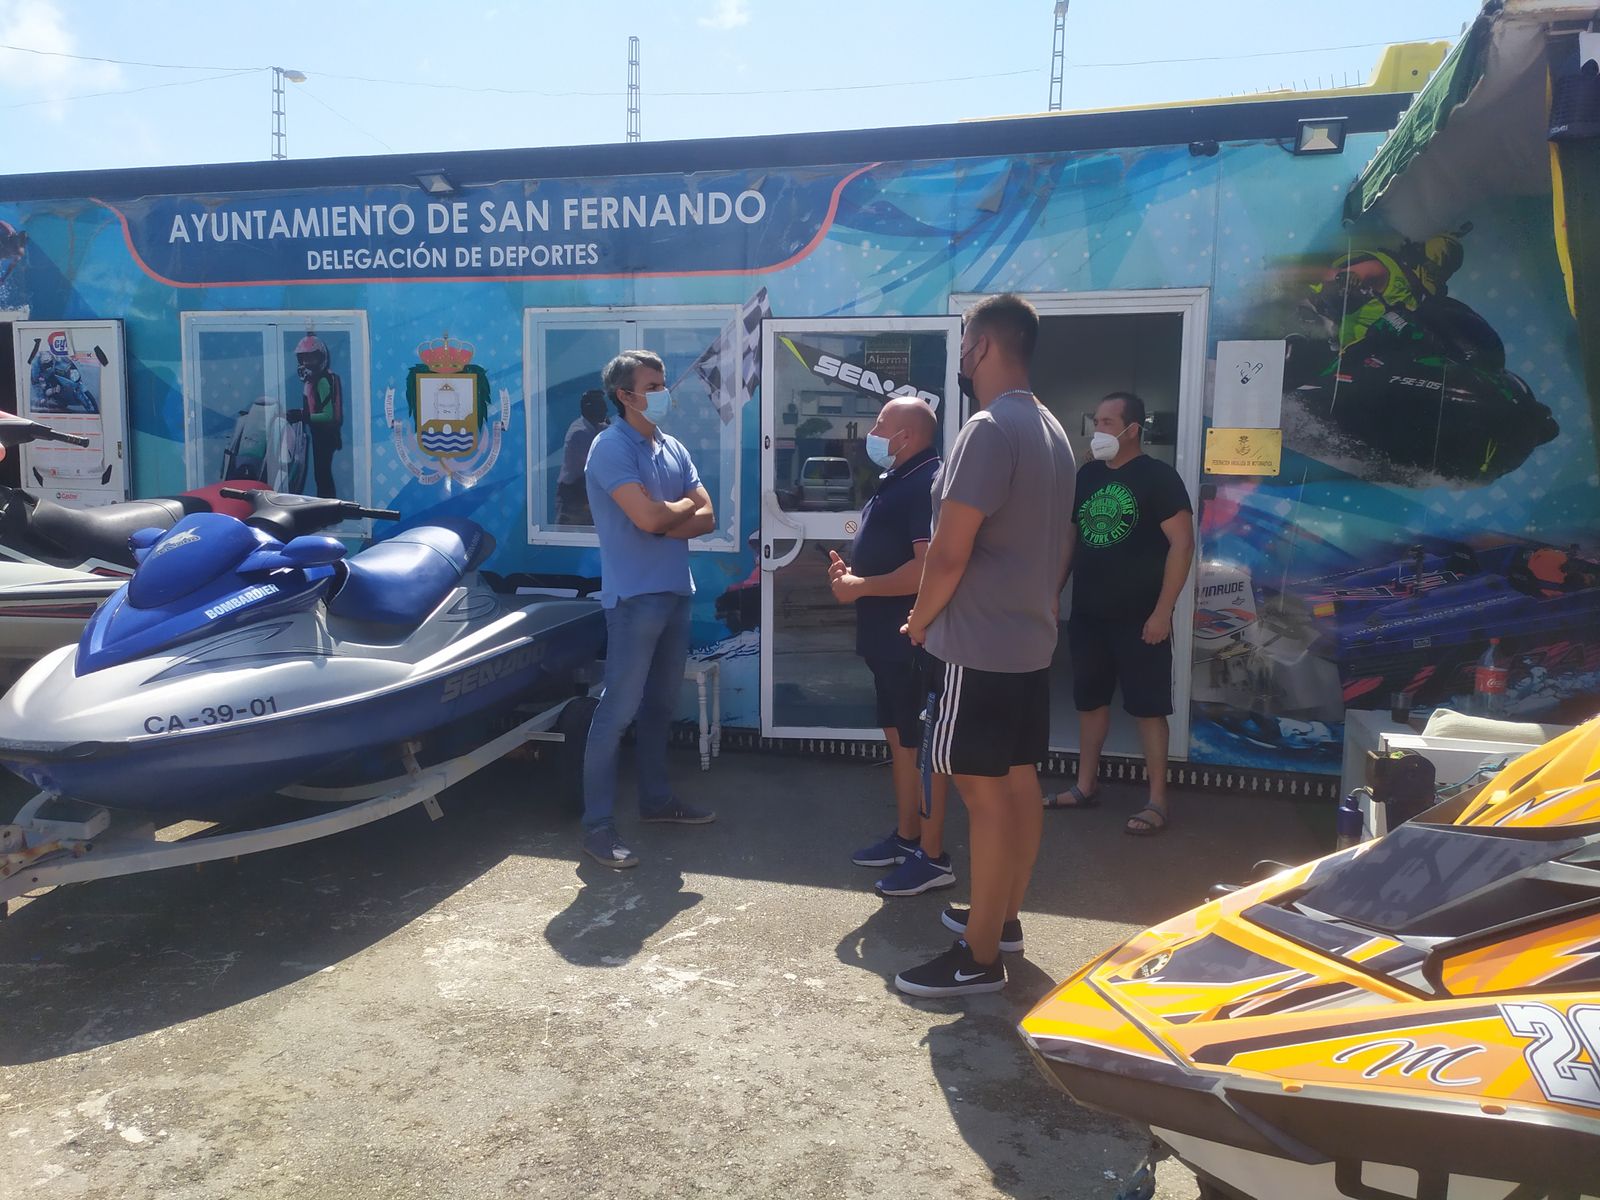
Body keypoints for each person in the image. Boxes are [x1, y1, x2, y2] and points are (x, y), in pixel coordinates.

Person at [893, 294, 1076, 998]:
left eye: (966, 340)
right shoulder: (1051, 429)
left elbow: (948, 552)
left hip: (975, 647)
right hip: (1027, 642)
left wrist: (919, 620)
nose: (962, 353)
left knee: (983, 794)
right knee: (1018, 784)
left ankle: (978, 957)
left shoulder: (988, 428)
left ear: (987, 346)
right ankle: (1001, 922)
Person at [580, 349, 717, 869]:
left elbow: (707, 516)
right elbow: (649, 519)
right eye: (653, 386)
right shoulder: (609, 447)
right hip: (634, 599)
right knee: (617, 712)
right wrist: (670, 513)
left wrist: (663, 517)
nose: (664, 392)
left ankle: (656, 801)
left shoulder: (672, 446)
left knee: (660, 707)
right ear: (625, 395)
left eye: (663, 383)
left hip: (675, 591)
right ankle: (597, 827)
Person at [1049, 391, 1193, 837]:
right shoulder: (1088, 475)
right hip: (1089, 615)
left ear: (1133, 429)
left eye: (1108, 423)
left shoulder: (1159, 477)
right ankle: (1085, 786)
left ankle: (1157, 801)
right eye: (1097, 421)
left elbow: (1182, 544)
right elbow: (1071, 539)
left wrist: (1163, 612)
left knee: (1148, 709)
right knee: (1089, 703)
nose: (1099, 430)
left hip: (1141, 618)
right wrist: (1053, 593)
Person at [825, 396, 952, 897]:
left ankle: (932, 857)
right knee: (899, 738)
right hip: (885, 638)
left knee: (918, 746)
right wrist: (853, 577)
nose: (871, 433)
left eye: (881, 425)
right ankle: (907, 836)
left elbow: (926, 569)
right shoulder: (900, 477)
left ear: (908, 435)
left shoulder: (926, 482)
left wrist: (861, 586)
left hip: (910, 639)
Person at [293, 334, 343, 499]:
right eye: (303, 358)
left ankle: (328, 507)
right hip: (319, 434)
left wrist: (302, 416)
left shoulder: (322, 381)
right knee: (320, 474)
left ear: (320, 358)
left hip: (325, 436)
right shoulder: (312, 381)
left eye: (311, 358)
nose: (306, 362)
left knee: (322, 475)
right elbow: (314, 408)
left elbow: (328, 415)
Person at [555, 389, 610, 525]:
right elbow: (595, 468)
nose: (605, 409)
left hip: (583, 491)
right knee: (568, 535)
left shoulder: (596, 426)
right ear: (589, 409)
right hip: (573, 496)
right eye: (601, 406)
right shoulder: (579, 433)